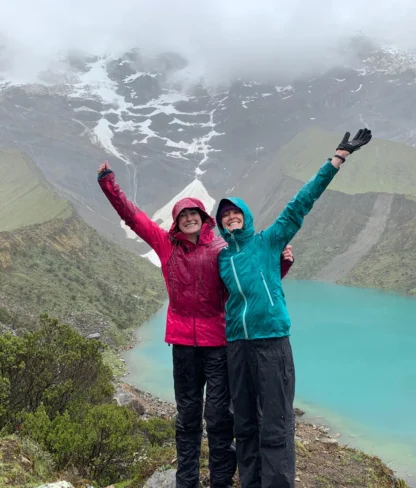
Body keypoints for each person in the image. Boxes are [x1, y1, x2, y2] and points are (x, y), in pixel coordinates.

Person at [96, 161, 294, 488]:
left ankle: (220, 482)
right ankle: (185, 482)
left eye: (195, 214)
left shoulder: (220, 250)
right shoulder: (165, 245)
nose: (189, 218)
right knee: (187, 419)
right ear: (176, 221)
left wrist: (282, 266)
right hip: (184, 348)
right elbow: (134, 217)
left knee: (219, 419)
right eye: (183, 214)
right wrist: (109, 184)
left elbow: (247, 287)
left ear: (204, 219)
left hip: (218, 347)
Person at [215, 128, 372, 488]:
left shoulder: (268, 242)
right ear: (220, 225)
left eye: (235, 212)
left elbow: (300, 203)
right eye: (224, 216)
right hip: (238, 347)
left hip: (271, 342)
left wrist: (337, 159)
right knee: (245, 424)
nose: (230, 218)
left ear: (245, 216)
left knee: (275, 423)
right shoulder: (222, 259)